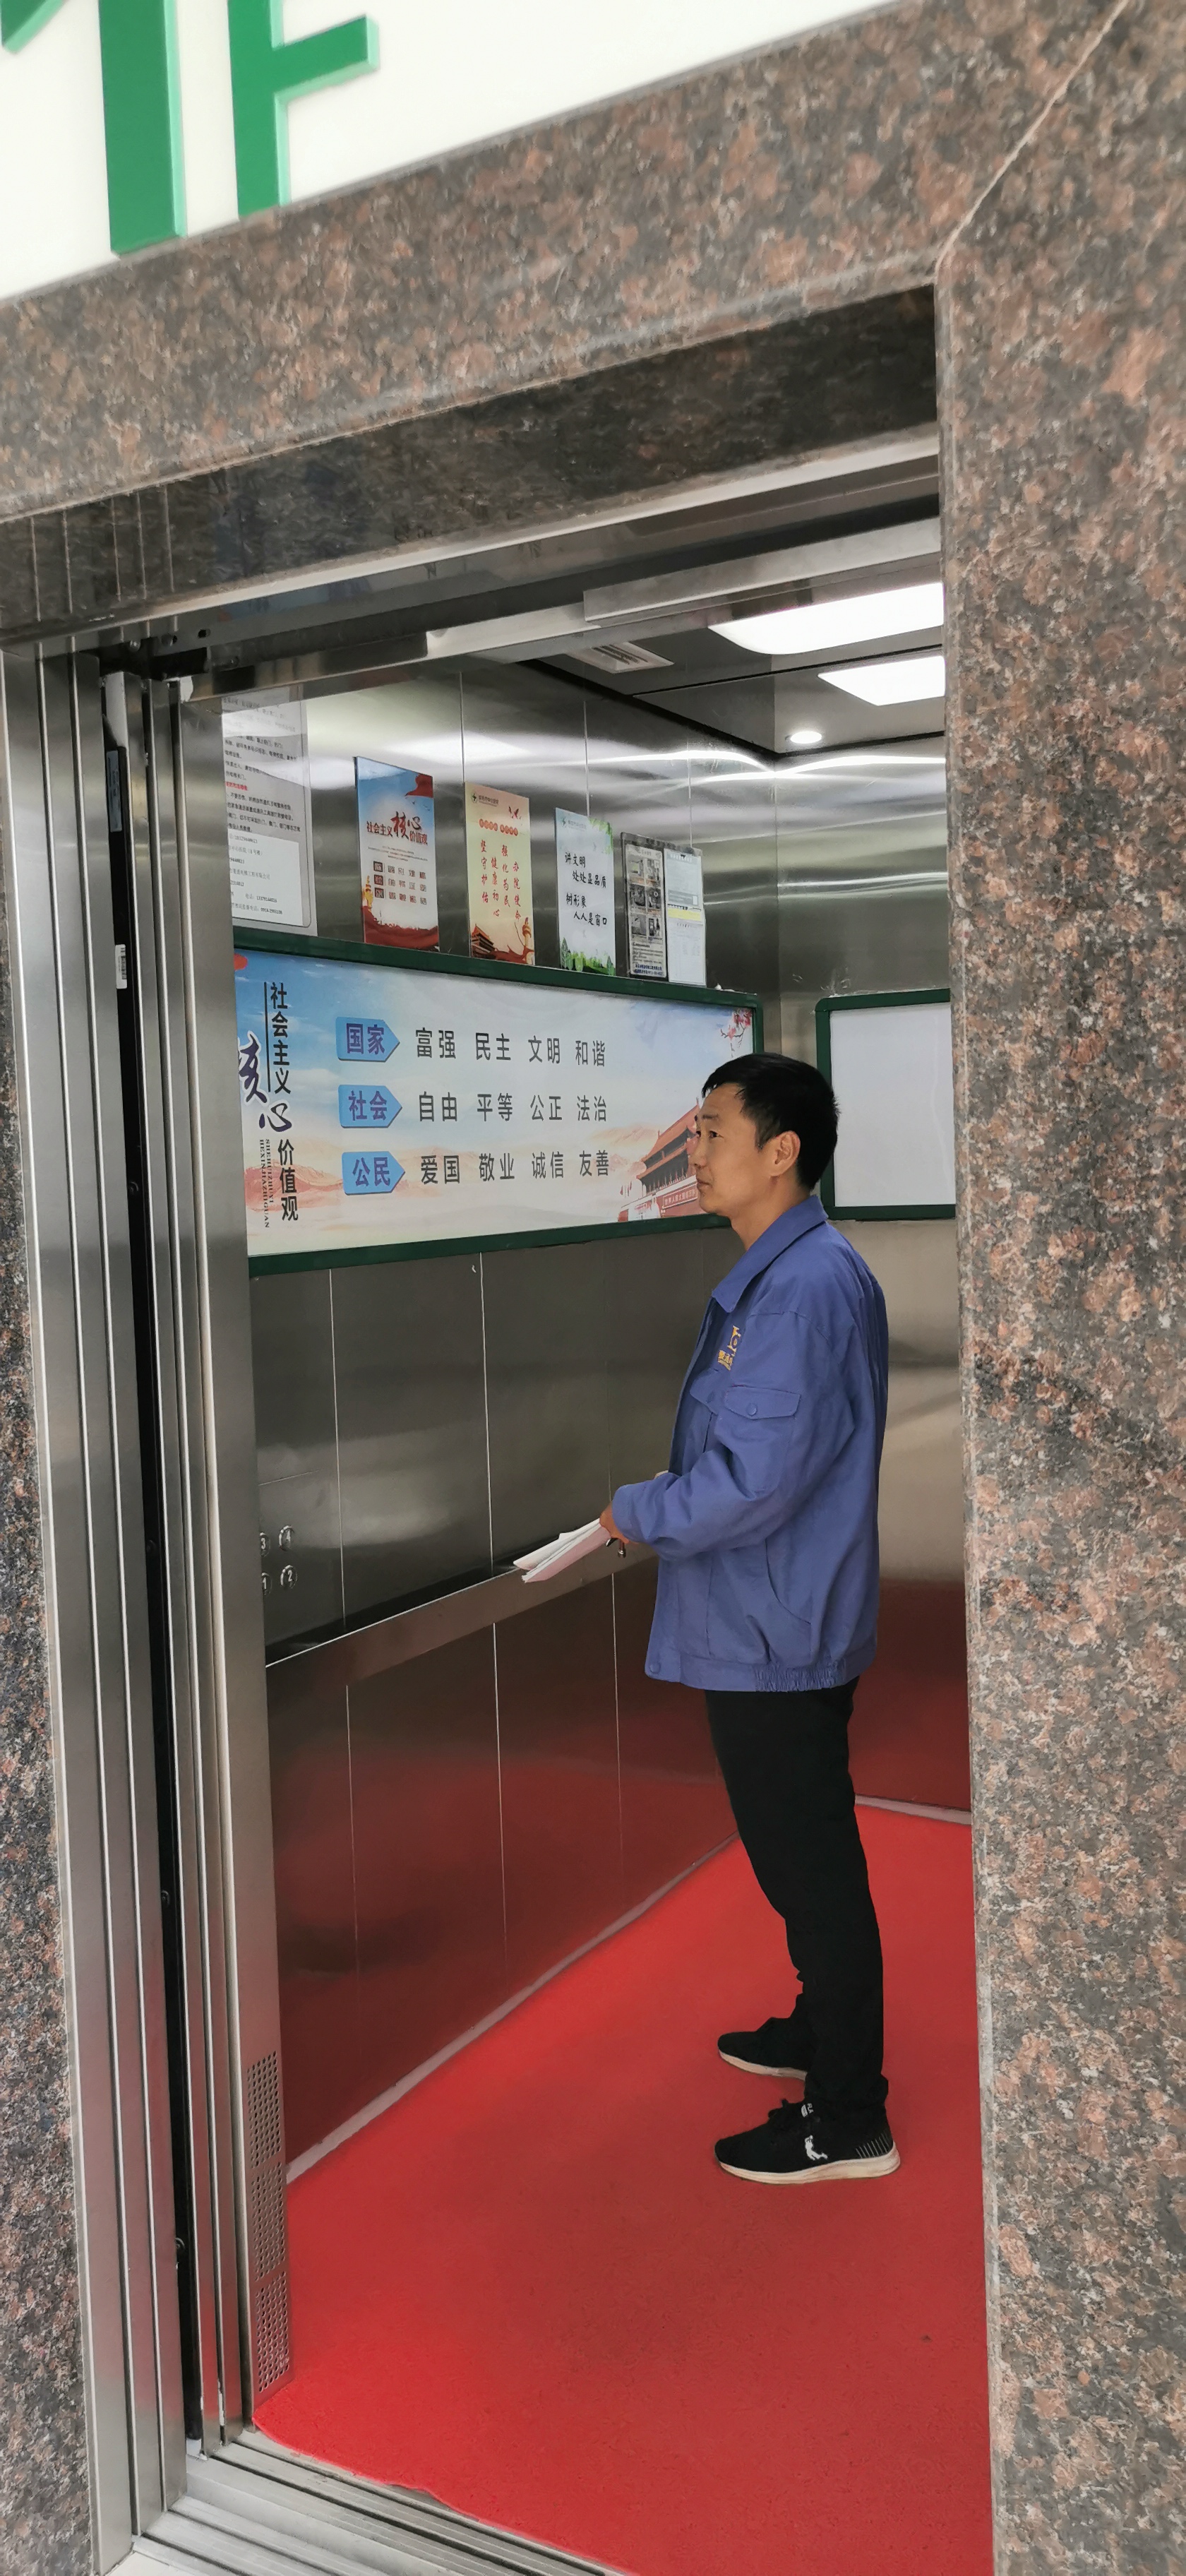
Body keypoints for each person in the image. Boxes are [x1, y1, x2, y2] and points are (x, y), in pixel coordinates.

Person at [600, 1054, 896, 2186]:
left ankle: (849, 2118)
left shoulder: (805, 1288)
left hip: (779, 1627)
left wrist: (635, 1510)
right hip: (778, 1612)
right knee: (801, 1855)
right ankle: (823, 2031)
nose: (696, 1150)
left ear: (782, 1152)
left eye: (714, 1132)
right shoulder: (794, 1274)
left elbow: (752, 1485)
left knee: (810, 1868)